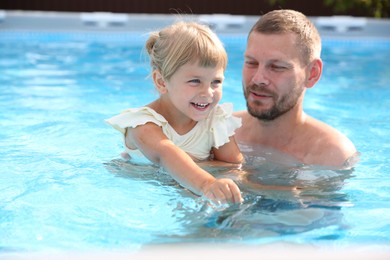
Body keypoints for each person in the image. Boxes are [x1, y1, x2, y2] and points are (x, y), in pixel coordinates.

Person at [106, 21, 244, 204]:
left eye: (216, 81)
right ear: (161, 82)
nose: (208, 92)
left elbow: (234, 167)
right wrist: (208, 185)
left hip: (186, 191)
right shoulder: (142, 126)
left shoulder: (215, 121)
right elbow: (167, 154)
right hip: (149, 198)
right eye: (195, 81)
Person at [234, 9, 358, 168]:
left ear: (312, 73)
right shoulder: (221, 130)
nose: (258, 79)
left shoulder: (331, 155)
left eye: (277, 67)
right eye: (251, 63)